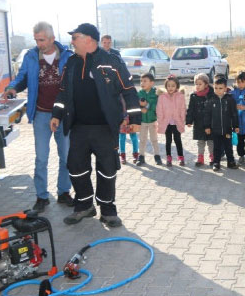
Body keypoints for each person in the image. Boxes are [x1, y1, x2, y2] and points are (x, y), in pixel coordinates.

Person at [51, 23, 141, 227]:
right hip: (79, 127)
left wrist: (134, 119)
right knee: (75, 168)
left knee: (107, 169)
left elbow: (128, 90)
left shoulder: (110, 62)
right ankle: (84, 206)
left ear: (88, 40)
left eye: (75, 38)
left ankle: (108, 210)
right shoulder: (71, 63)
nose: (71, 42)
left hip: (105, 128)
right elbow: (63, 92)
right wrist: (57, 114)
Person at [2, 21, 74, 213]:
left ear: (52, 39)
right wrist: (12, 88)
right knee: (41, 158)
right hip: (42, 114)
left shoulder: (67, 56)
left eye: (41, 40)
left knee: (66, 156)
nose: (39, 43)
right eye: (36, 40)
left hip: (64, 115)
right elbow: (23, 77)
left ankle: (64, 192)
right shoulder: (32, 56)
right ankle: (42, 197)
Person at [204, 77, 239, 171]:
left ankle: (231, 162)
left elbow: (234, 114)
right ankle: (216, 162)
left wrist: (236, 126)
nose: (218, 90)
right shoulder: (211, 100)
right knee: (217, 147)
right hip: (215, 129)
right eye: (216, 88)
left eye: (220, 88)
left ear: (225, 88)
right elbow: (207, 114)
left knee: (228, 146)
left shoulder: (230, 99)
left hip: (227, 129)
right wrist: (207, 126)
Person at [157, 75, 186, 167]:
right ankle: (168, 157)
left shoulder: (180, 96)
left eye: (173, 86)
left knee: (178, 140)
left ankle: (181, 157)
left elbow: (183, 109)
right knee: (168, 140)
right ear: (166, 86)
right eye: (168, 85)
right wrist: (161, 120)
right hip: (167, 123)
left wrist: (182, 119)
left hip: (177, 122)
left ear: (177, 86)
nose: (170, 88)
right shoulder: (162, 97)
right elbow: (159, 109)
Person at [186, 73, 215, 166]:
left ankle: (212, 157)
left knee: (211, 141)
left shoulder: (212, 95)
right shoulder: (193, 96)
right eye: (196, 84)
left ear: (206, 85)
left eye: (200, 84)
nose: (197, 86)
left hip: (210, 123)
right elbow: (190, 109)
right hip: (198, 123)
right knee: (200, 141)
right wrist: (189, 120)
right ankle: (200, 158)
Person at [136, 73, 162, 166]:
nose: (142, 83)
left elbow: (156, 105)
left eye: (145, 81)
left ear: (152, 83)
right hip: (142, 121)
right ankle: (141, 157)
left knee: (154, 139)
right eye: (141, 81)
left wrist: (147, 106)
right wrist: (140, 108)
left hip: (152, 120)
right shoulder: (139, 93)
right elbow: (135, 104)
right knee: (142, 140)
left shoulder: (156, 93)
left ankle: (157, 157)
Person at [119, 97, 139, 164]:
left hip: (131, 118)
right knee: (122, 138)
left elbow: (135, 107)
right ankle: (122, 155)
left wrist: (133, 120)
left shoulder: (130, 93)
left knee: (133, 137)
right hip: (121, 119)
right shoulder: (118, 94)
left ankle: (136, 154)